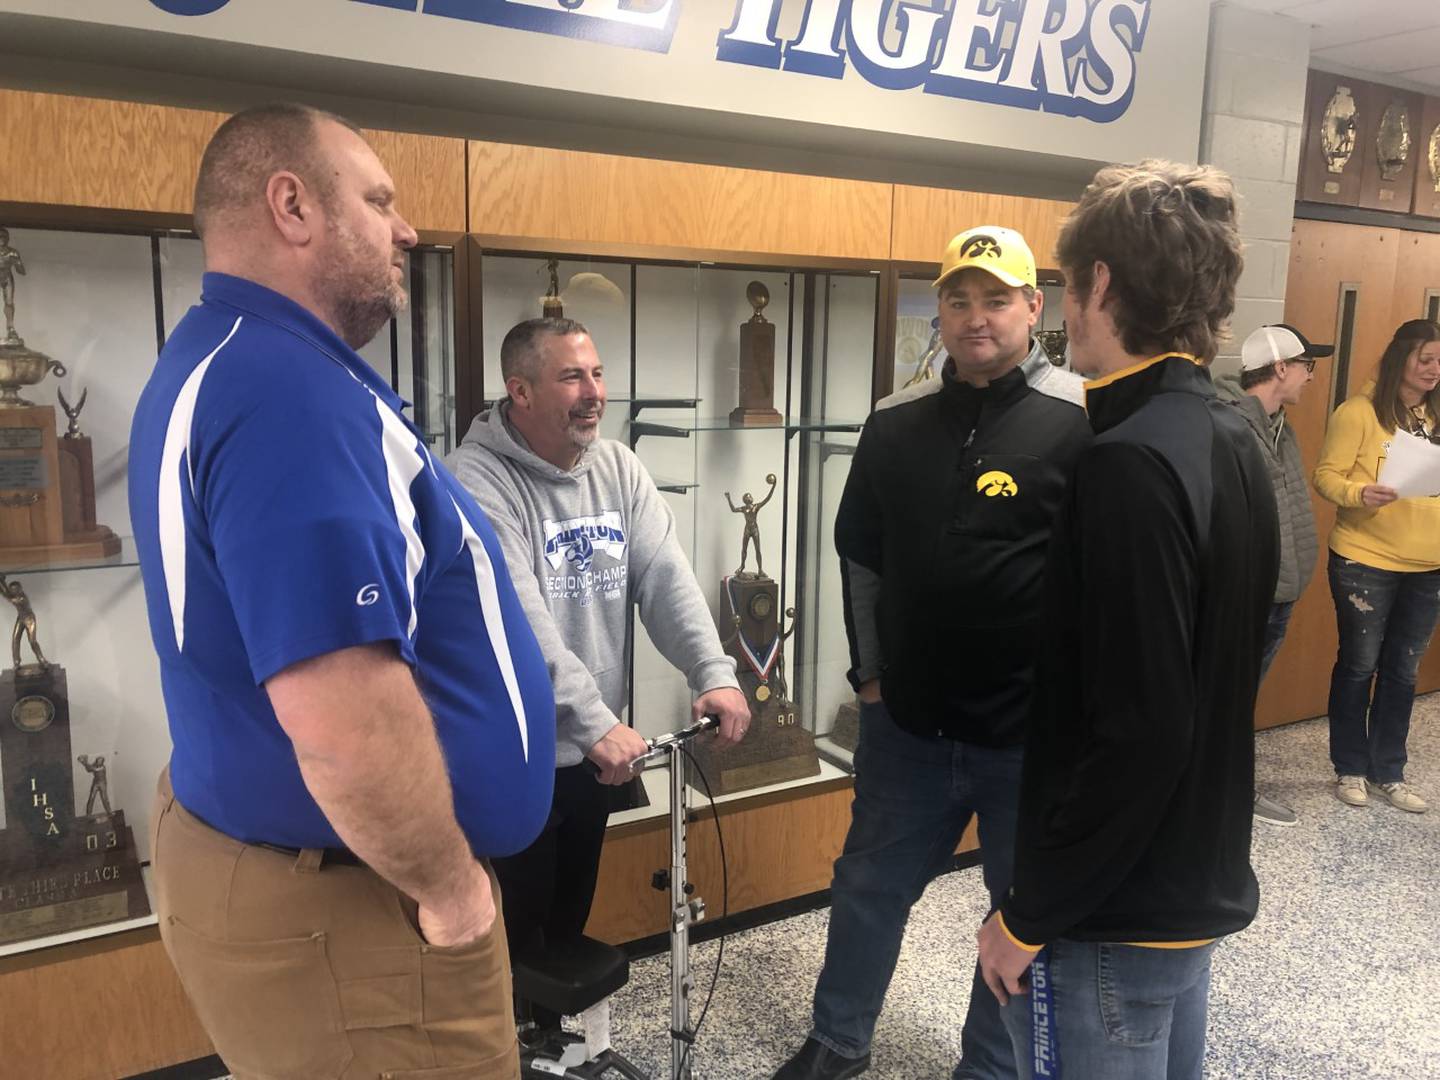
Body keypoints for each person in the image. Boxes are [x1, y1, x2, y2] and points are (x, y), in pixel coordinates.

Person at [128, 104, 556, 1079]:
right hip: (352, 910)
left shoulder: (234, 354)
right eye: (379, 200)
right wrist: (454, 895)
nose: (405, 229)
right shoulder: (285, 394)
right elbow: (342, 724)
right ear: (292, 207)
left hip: (302, 872)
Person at [977, 161, 1278, 1080]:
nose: (1067, 309)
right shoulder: (1231, 433)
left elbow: (1142, 729)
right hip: (1188, 880)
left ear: (1099, 282)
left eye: (1066, 286)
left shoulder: (1128, 463)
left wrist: (1029, 913)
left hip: (1114, 912)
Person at [772, 226, 1091, 1080]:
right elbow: (861, 555)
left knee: (1016, 915)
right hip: (908, 728)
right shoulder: (894, 420)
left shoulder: (1084, 422)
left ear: (1035, 307)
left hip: (1030, 738)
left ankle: (988, 1068)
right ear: (940, 311)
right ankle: (839, 1039)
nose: (975, 317)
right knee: (868, 889)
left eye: (995, 299)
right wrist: (870, 677)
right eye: (958, 299)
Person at [445, 317, 749, 1037]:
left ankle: (550, 1041)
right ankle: (506, 1047)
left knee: (568, 913)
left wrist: (714, 670)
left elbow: (662, 576)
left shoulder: (617, 468)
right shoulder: (473, 481)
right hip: (515, 753)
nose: (593, 394)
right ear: (518, 391)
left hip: (593, 750)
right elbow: (520, 622)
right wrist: (593, 721)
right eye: (571, 377)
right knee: (512, 927)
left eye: (598, 375)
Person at [1313, 318, 1440, 814]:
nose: (1433, 369)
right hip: (1365, 558)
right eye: (1424, 359)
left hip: (1428, 565)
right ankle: (1350, 766)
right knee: (1359, 663)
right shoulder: (1359, 412)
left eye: (1439, 361)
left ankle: (1389, 770)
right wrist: (1358, 493)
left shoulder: (1437, 413)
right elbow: (1326, 476)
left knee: (1403, 671)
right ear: (1399, 359)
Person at [1216, 323, 1327, 827]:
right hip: (1246, 595)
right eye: (1307, 366)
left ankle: (1226, 790)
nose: (1310, 377)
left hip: (1280, 591)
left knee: (1239, 702)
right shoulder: (1228, 426)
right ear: (1281, 367)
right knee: (1225, 700)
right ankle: (1221, 796)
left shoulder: (1282, 426)